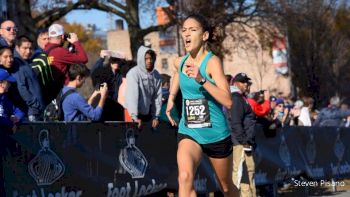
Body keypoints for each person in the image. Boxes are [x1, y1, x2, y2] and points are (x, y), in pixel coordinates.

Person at [166, 14, 238, 196]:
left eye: (192, 29)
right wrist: (171, 98)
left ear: (204, 35)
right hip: (190, 130)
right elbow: (177, 71)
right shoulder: (181, 61)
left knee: (226, 187)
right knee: (184, 177)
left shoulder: (212, 63)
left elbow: (228, 101)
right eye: (184, 30)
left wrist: (202, 79)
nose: (186, 34)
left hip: (215, 134)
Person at [229, 73, 257, 197]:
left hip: (246, 143)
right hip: (240, 143)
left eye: (247, 82)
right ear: (236, 83)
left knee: (248, 175)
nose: (246, 84)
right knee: (238, 175)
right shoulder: (235, 98)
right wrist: (243, 141)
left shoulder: (241, 98)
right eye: (243, 82)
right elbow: (235, 122)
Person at [45, 23, 88, 102]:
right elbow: (83, 59)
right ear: (62, 36)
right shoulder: (59, 52)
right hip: (61, 91)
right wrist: (76, 42)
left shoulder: (46, 49)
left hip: (50, 91)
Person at [0, 68, 24, 196]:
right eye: (7, 82)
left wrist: (16, 118)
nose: (9, 85)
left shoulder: (4, 98)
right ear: (1, 83)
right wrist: (9, 124)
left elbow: (19, 111)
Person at [125, 46, 162, 129]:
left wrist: (156, 116)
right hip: (131, 114)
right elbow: (132, 97)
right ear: (141, 59)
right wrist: (134, 117)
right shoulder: (133, 74)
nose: (149, 61)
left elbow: (157, 97)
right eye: (146, 59)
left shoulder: (156, 75)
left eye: (151, 58)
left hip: (147, 114)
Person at [13, 35, 45, 121]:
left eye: (30, 48)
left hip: (34, 111)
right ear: (17, 48)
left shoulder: (26, 62)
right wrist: (35, 104)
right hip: (30, 112)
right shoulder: (17, 64)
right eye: (25, 48)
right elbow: (21, 87)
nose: (28, 51)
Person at [91, 50, 125, 121]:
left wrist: (123, 58)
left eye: (118, 61)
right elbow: (94, 72)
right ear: (110, 61)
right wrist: (101, 58)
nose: (116, 63)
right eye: (114, 60)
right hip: (105, 105)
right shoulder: (104, 72)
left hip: (117, 106)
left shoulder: (120, 74)